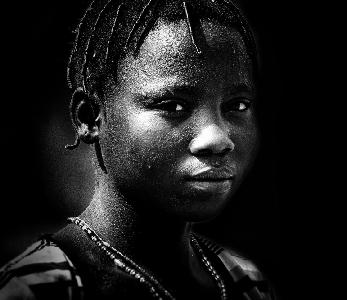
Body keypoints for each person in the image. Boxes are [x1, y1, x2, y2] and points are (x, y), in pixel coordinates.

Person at [0, 0, 274, 299]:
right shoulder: (40, 286)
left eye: (237, 106)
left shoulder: (244, 280)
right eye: (173, 105)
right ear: (90, 117)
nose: (217, 139)